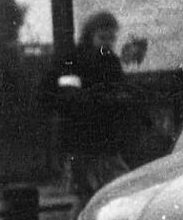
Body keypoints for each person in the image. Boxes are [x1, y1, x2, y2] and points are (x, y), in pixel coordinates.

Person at [55, 10, 137, 200]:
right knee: (86, 198)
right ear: (90, 34)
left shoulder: (112, 62)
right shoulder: (73, 60)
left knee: (113, 194)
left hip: (104, 143)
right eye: (102, 38)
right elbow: (69, 96)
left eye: (111, 39)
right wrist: (105, 99)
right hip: (82, 143)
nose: (107, 44)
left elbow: (121, 92)